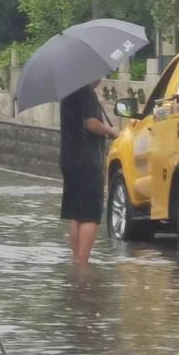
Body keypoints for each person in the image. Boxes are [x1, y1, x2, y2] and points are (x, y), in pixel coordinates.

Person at [59, 80, 118, 264]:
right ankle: (83, 264)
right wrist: (112, 131)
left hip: (69, 159)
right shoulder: (86, 93)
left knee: (76, 214)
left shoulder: (67, 92)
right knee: (90, 215)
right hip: (88, 161)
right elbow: (91, 123)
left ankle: (77, 260)